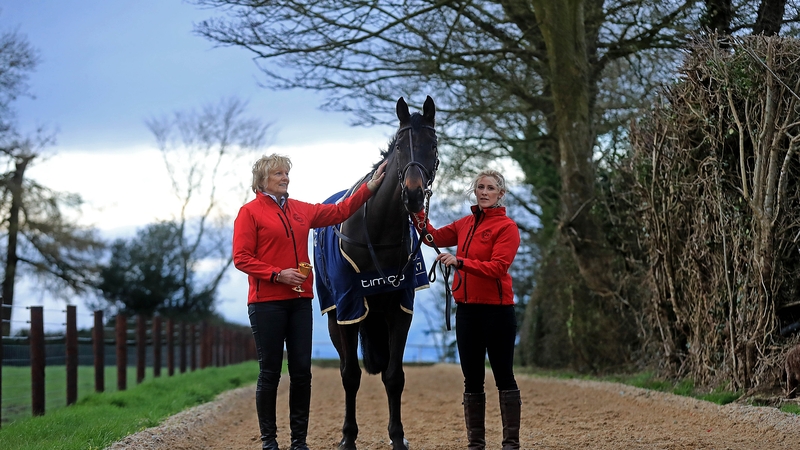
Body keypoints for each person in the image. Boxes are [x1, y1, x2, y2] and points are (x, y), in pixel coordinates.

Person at [233, 154, 386, 450]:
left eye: (286, 173)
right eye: (278, 173)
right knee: (270, 373)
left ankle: (299, 442)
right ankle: (269, 441)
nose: (285, 178)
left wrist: (371, 186)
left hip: (300, 301)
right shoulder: (249, 213)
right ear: (262, 180)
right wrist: (277, 274)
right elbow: (241, 258)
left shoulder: (301, 209)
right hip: (266, 303)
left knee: (302, 372)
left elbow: (341, 211)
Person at [413, 169, 521, 450]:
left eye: (490, 188)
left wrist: (460, 262)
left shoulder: (507, 228)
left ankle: (511, 444)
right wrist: (416, 209)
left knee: (504, 377)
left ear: (501, 194)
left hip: (498, 313)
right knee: (472, 380)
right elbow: (431, 237)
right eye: (480, 187)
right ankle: (476, 444)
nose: (484, 192)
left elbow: (498, 268)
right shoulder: (465, 223)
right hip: (467, 312)